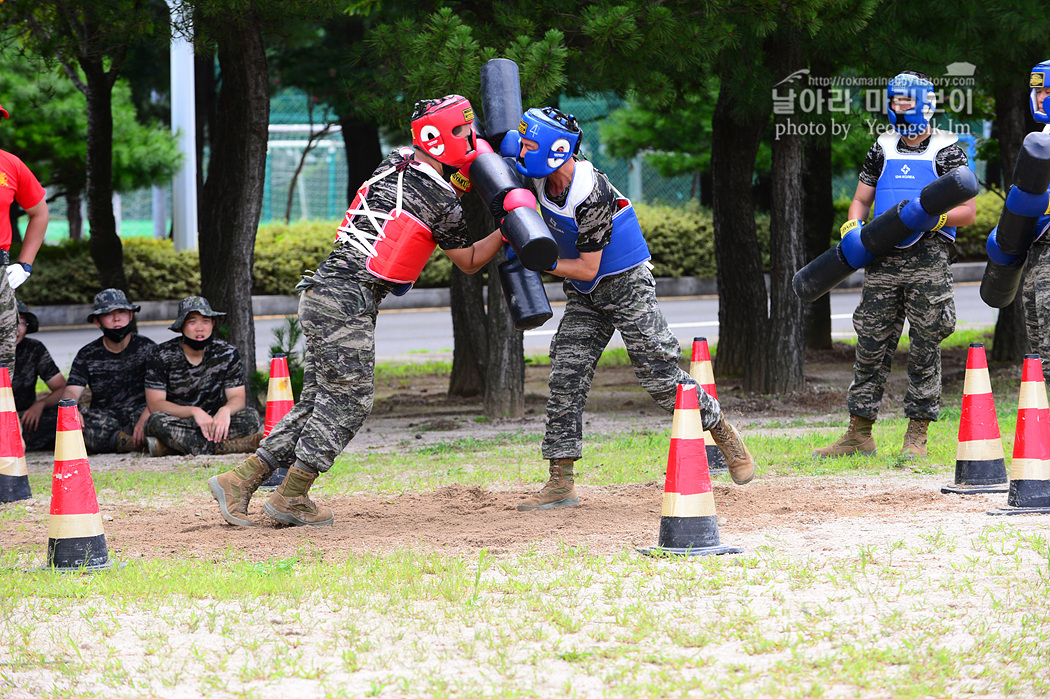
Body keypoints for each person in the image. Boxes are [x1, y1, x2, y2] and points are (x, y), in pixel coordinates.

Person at [209, 94, 504, 528]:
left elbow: (445, 182)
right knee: (350, 400)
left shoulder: (397, 160)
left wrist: (473, 166)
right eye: (463, 131)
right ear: (437, 139)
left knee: (317, 401)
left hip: (326, 292)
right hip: (348, 298)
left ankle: (241, 480)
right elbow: (470, 259)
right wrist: (510, 227)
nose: (471, 138)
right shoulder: (441, 199)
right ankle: (291, 497)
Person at [503, 106, 754, 512]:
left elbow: (587, 264)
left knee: (659, 376)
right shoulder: (534, 172)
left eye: (531, 143)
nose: (522, 150)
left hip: (626, 284)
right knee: (566, 374)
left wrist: (539, 260)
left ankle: (722, 431)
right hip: (585, 292)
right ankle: (560, 480)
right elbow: (492, 150)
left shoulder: (591, 192)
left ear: (556, 150)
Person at [815, 72, 976, 460]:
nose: (899, 108)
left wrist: (936, 219)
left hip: (928, 261)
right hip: (883, 259)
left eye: (906, 101)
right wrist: (852, 225)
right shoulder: (882, 147)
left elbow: (968, 211)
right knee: (870, 344)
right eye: (895, 101)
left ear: (925, 103)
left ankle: (916, 435)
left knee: (925, 346)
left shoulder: (947, 149)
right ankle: (858, 434)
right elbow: (860, 200)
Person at [143, 296, 262, 457]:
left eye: (205, 321)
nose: (200, 328)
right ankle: (226, 446)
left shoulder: (227, 352)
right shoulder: (160, 354)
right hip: (179, 420)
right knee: (155, 421)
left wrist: (225, 410)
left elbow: (237, 397)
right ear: (180, 327)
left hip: (214, 422)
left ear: (213, 324)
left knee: (251, 417)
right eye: (192, 322)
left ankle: (171, 447)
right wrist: (193, 411)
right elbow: (155, 404)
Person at [63, 289, 155, 453]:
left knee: (161, 418)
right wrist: (72, 410)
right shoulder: (87, 354)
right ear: (98, 321)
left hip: (141, 413)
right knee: (70, 419)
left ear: (131, 316)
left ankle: (128, 440)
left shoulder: (149, 349)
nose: (116, 318)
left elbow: (160, 392)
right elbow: (71, 390)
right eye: (108, 314)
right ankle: (126, 442)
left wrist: (145, 417)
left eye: (122, 312)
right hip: (104, 419)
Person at [0, 97, 47, 369]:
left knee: (4, 359)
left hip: (1, 275)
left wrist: (25, 263)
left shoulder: (10, 165)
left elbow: (39, 212)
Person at [1022, 60, 1050, 383]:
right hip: (1038, 252)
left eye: (1049, 90)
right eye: (1039, 90)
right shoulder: (1039, 138)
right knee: (1040, 347)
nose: (1043, 98)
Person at [12, 300, 65, 451]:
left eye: (21, 322)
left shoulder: (34, 349)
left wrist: (40, 405)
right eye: (9, 322)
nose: (15, 329)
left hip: (26, 419)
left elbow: (61, 388)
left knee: (67, 415)